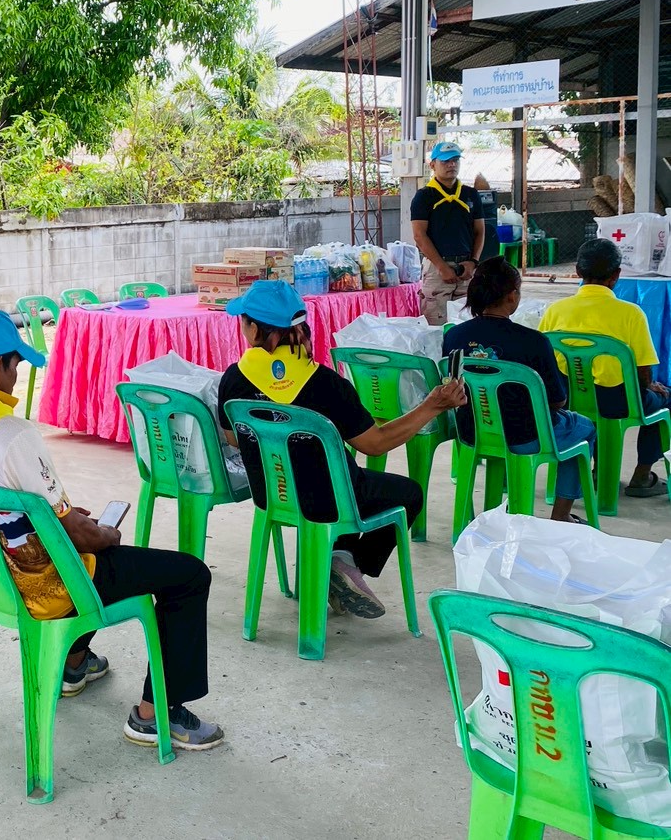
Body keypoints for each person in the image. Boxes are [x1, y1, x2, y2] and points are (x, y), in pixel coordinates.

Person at [0, 308, 224, 752]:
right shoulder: (11, 434)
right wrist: (104, 534)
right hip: (48, 587)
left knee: (91, 547)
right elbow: (78, 536)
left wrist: (59, 520)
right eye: (15, 365)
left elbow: (13, 508)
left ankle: (73, 663)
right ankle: (156, 715)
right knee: (186, 575)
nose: (16, 376)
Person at [216, 280, 465, 619]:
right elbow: (375, 443)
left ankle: (339, 560)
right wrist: (431, 406)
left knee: (348, 481)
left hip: (271, 494)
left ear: (254, 329)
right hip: (332, 499)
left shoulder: (233, 379)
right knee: (408, 493)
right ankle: (345, 564)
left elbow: (233, 438)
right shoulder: (327, 384)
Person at [444, 257, 595, 522]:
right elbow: (557, 401)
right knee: (585, 429)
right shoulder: (533, 341)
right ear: (512, 296)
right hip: (525, 436)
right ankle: (561, 516)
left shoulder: (454, 336)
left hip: (472, 431)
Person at [539, 238, 671, 499]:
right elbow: (643, 373)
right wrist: (651, 386)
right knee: (666, 399)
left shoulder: (556, 310)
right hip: (617, 403)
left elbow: (543, 360)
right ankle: (642, 476)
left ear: (577, 271)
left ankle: (598, 470)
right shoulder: (631, 313)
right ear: (616, 275)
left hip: (567, 400)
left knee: (593, 403)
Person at [410, 141, 485, 325]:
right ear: (432, 165)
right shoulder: (424, 196)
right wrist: (442, 266)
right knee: (436, 325)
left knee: (467, 323)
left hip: (466, 267)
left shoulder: (470, 194)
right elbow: (419, 235)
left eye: (455, 160)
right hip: (437, 267)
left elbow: (480, 231)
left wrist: (473, 262)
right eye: (445, 161)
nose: (452, 165)